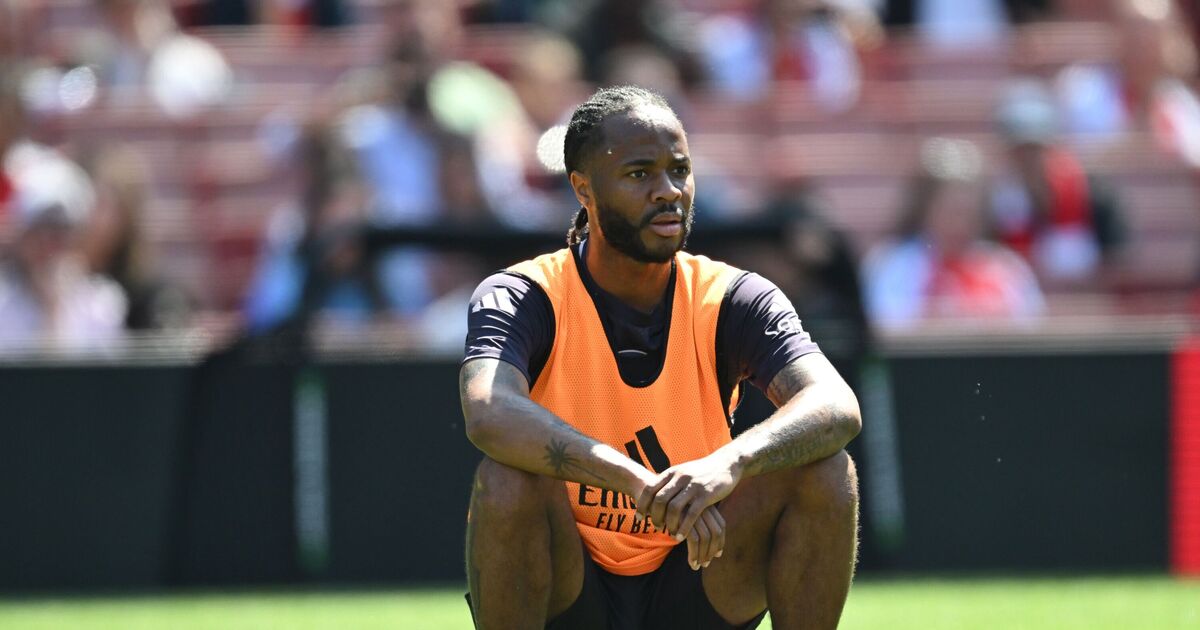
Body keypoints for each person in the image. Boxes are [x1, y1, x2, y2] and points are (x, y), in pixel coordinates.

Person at [460, 86, 861, 629]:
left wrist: (729, 464)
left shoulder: (732, 297)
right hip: (573, 586)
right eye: (639, 174)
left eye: (679, 170)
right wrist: (636, 482)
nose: (668, 191)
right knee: (506, 480)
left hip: (696, 568)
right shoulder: (525, 293)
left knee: (826, 470)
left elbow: (836, 405)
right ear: (583, 189)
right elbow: (488, 412)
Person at [864, 137, 1044, 328]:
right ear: (924, 209)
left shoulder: (1007, 268)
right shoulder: (891, 266)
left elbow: (1031, 327)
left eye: (969, 211)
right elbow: (882, 325)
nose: (961, 223)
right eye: (951, 211)